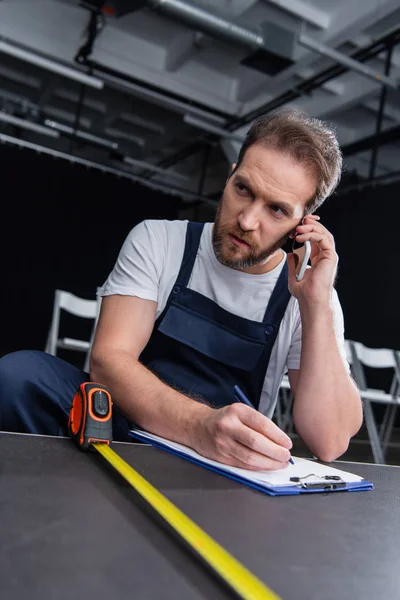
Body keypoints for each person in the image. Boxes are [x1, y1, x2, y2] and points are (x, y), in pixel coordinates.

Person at [0, 109, 363, 470]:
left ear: (303, 225)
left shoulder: (310, 295)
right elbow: (109, 361)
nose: (248, 221)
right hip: (121, 427)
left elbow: (329, 442)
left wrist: (316, 305)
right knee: (19, 376)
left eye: (277, 210)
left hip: (220, 463)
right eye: (244, 189)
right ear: (230, 175)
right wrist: (197, 425)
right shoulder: (159, 240)